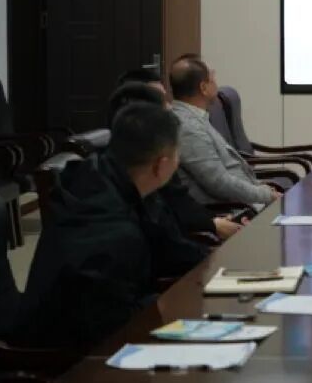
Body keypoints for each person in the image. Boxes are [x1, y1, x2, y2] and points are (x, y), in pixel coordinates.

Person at [12, 103, 205, 348]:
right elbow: (113, 328)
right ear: (161, 165)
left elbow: (169, 247)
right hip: (69, 353)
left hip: (95, 323)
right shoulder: (112, 231)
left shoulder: (103, 177)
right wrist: (170, 303)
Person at [109, 82, 245, 240]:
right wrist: (213, 225)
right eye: (164, 101)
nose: (171, 107)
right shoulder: (119, 224)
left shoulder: (122, 175)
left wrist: (215, 221)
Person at [169, 54, 278, 207]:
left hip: (246, 200)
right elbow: (219, 183)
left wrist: (262, 189)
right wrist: (266, 195)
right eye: (213, 79)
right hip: (233, 210)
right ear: (203, 88)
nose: (217, 84)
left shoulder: (195, 117)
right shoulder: (188, 128)